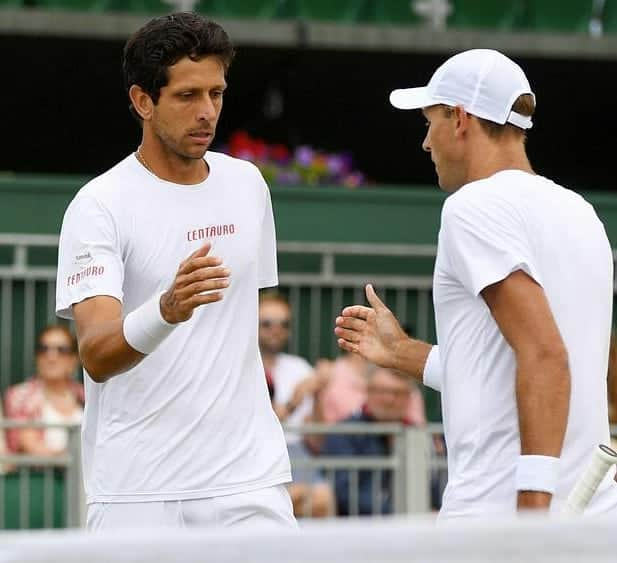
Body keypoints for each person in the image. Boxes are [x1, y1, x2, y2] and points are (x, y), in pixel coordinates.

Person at [335, 49, 617, 518]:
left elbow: (545, 354)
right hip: (594, 511)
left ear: (460, 118)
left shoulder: (472, 207)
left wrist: (532, 507)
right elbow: (514, 370)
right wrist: (403, 352)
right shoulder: (581, 212)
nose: (426, 142)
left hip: (505, 511)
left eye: (429, 122)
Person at [55, 12, 295, 530]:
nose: (207, 112)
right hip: (138, 489)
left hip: (249, 478)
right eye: (188, 96)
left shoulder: (248, 185)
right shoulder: (99, 204)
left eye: (217, 94)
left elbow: (233, 332)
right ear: (143, 101)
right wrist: (166, 310)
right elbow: (95, 355)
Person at [258, 291, 335, 517]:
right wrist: (295, 399)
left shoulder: (299, 366)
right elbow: (260, 424)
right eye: (267, 323)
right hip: (259, 454)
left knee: (322, 500)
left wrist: (320, 392)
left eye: (284, 324)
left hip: (297, 452)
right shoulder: (243, 368)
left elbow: (317, 439)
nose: (276, 329)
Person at [322, 366, 424, 516]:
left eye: (398, 393)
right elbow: (345, 494)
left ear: (409, 397)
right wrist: (399, 513)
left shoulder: (418, 436)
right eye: (381, 391)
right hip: (360, 530)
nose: (389, 400)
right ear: (367, 391)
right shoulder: (344, 433)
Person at [4, 325, 83, 456]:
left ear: (74, 359)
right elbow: (29, 446)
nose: (51, 357)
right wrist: (72, 460)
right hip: (42, 474)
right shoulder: (20, 396)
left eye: (62, 350)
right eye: (43, 349)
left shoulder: (85, 395)